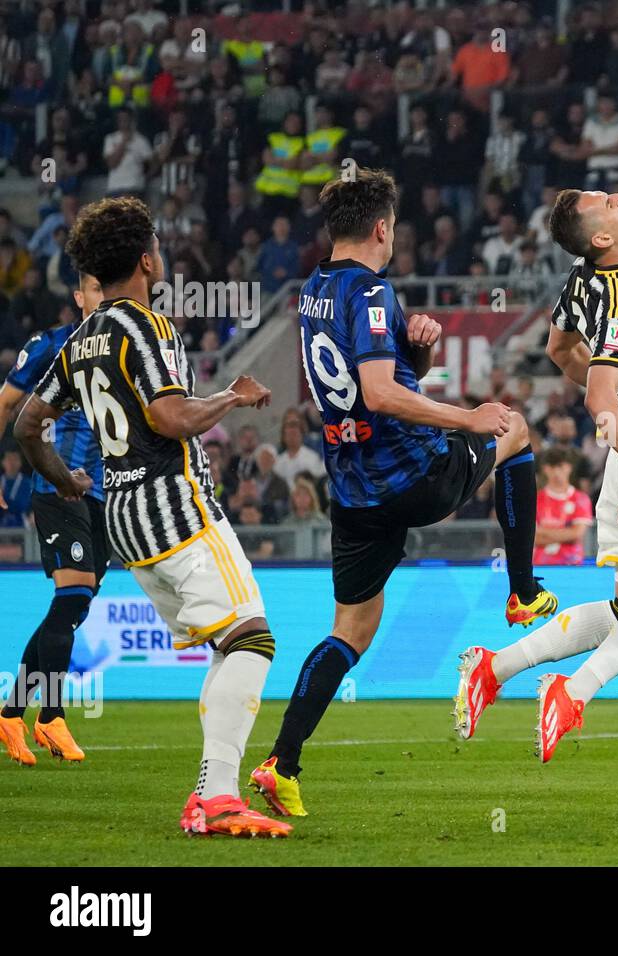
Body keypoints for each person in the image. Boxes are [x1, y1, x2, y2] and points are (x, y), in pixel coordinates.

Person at [249, 170, 556, 814]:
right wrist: (468, 417)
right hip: (415, 476)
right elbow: (382, 395)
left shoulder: (312, 292)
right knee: (515, 430)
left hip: (354, 490)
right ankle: (524, 594)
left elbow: (367, 385)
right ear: (383, 228)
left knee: (350, 632)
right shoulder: (373, 291)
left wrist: (416, 355)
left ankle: (282, 760)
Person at [14, 197, 289, 837]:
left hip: (123, 519)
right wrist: (232, 395)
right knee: (253, 639)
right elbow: (170, 418)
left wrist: (69, 479)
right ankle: (217, 797)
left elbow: (30, 424)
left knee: (232, 641)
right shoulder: (148, 326)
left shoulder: (79, 341)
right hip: (176, 507)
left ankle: (209, 792)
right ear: (146, 258)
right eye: (158, 245)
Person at [454, 187, 618, 763]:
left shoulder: (584, 276)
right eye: (608, 201)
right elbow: (599, 392)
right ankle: (572, 694)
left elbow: (558, 348)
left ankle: (493, 669)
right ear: (603, 238)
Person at [0, 273, 105, 766]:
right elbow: (5, 403)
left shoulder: (128, 349)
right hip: (56, 485)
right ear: (79, 297)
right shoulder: (51, 345)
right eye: (95, 290)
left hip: (104, 498)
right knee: (73, 594)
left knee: (71, 608)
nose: (104, 298)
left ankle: (12, 711)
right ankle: (51, 716)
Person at [534, 447, 593, 566]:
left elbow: (577, 534)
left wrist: (543, 533)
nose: (556, 472)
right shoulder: (534, 499)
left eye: (560, 466)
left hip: (572, 563)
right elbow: (532, 538)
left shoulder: (581, 499)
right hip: (540, 564)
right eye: (551, 467)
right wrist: (566, 534)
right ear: (545, 469)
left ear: (569, 467)